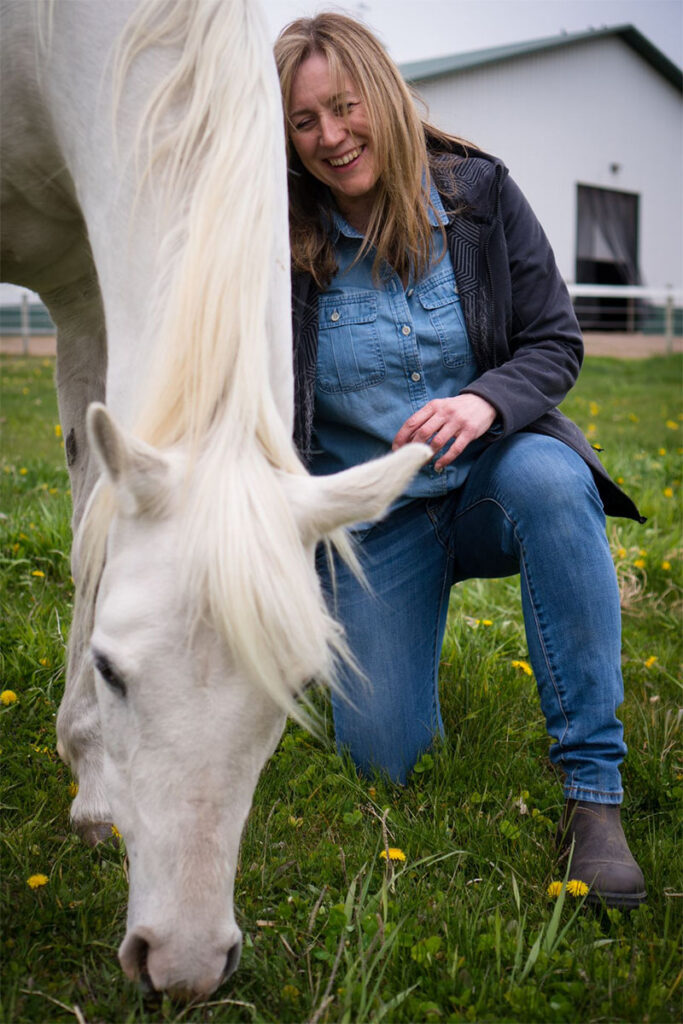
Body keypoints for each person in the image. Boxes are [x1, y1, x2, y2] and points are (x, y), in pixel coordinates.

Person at [274, 13, 646, 908]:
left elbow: (552, 342)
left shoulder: (478, 194)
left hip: (491, 483)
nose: (330, 137)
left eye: (345, 107)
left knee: (554, 482)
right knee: (384, 761)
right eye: (303, 121)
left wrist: (486, 402)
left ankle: (592, 797)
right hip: (374, 518)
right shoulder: (276, 237)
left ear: (385, 97)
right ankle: (400, 664)